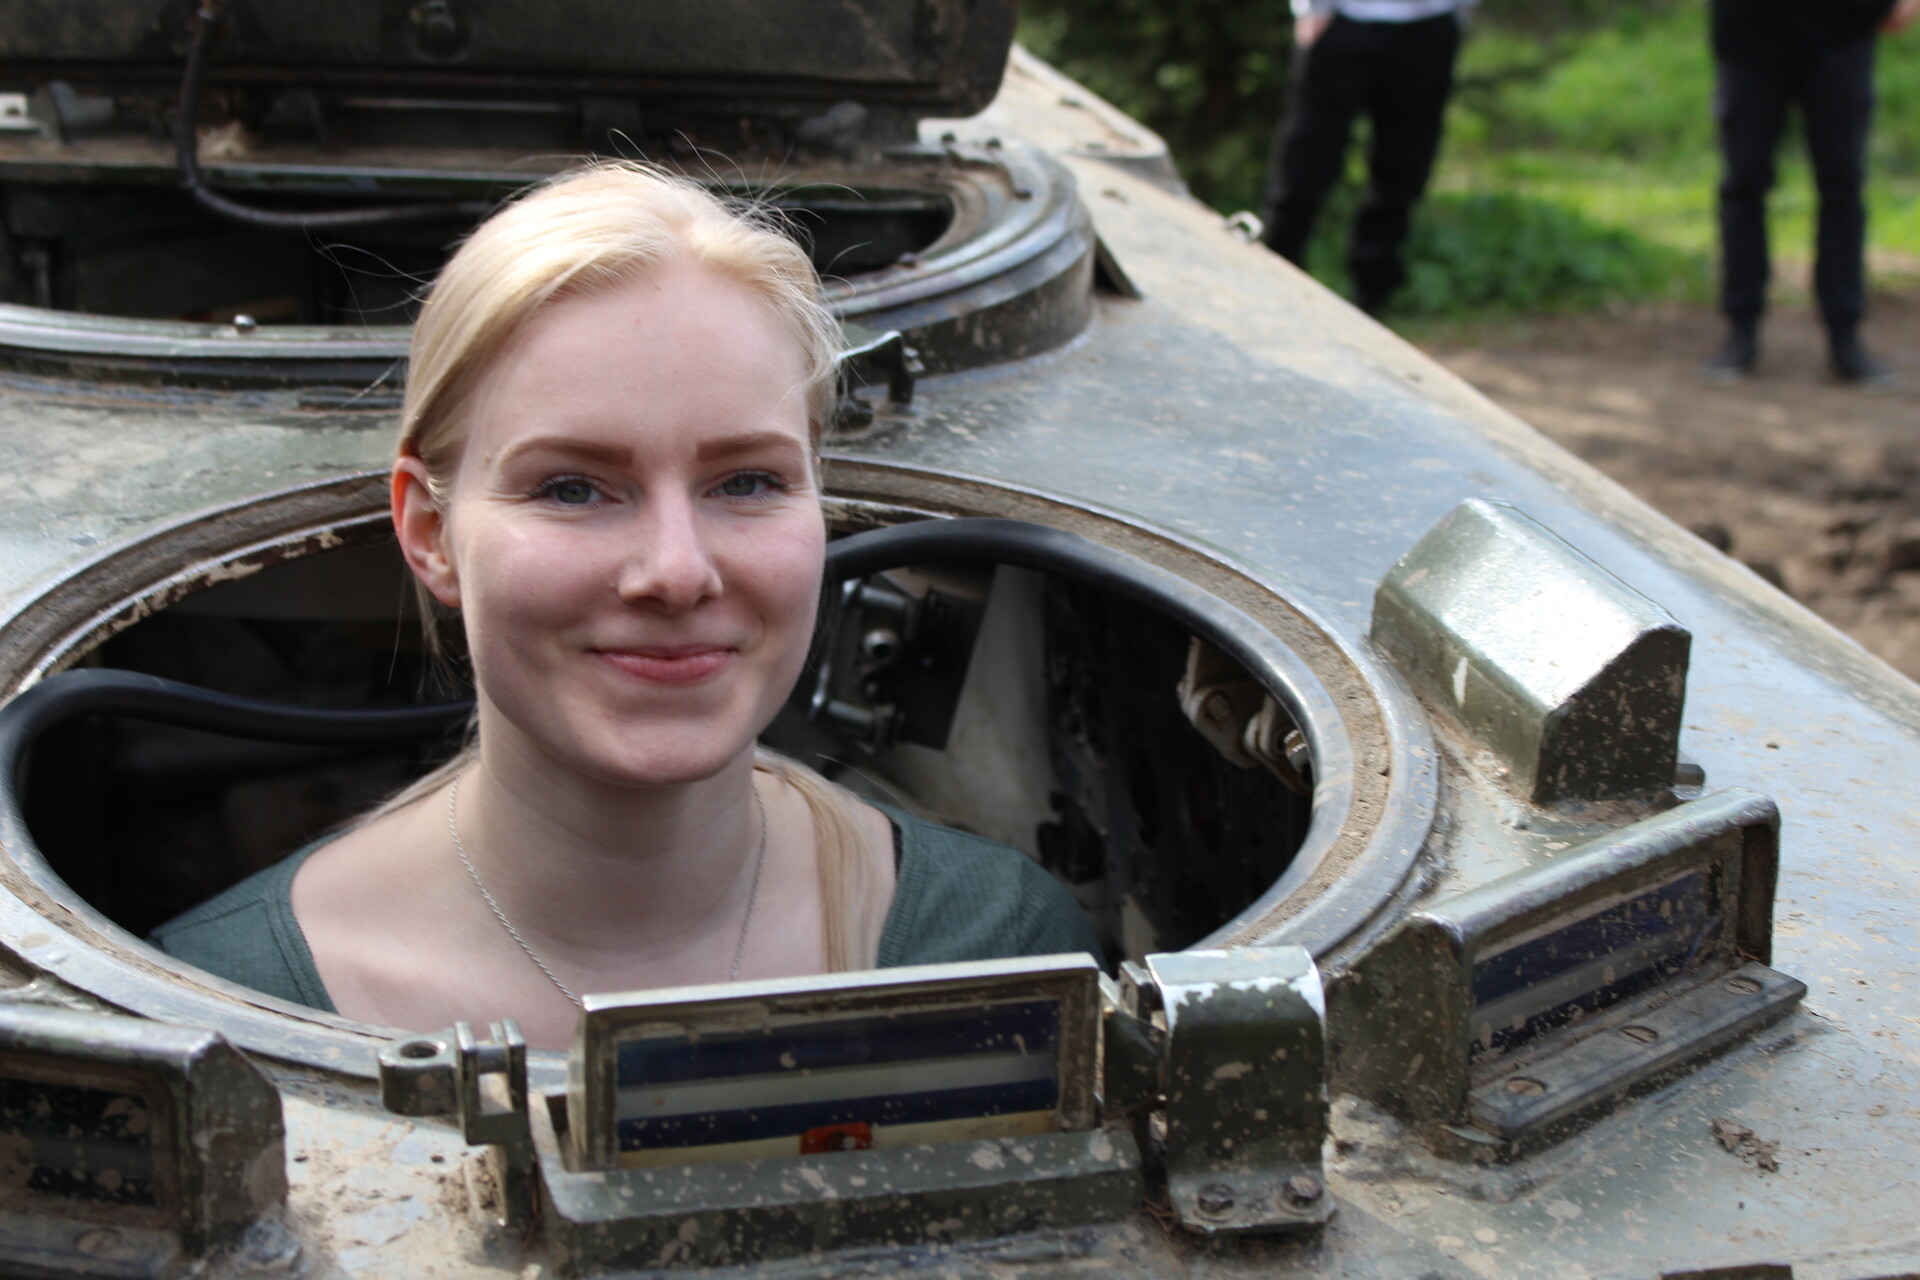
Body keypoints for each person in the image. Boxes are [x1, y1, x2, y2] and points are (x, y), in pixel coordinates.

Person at [152, 165, 1099, 1050]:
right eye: (572, 488)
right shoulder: (219, 1011)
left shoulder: (998, 951)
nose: (676, 573)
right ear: (431, 533)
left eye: (747, 482)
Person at [1703, 0, 1920, 386]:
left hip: (1844, 30)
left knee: (1843, 186)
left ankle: (1845, 337)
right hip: (1749, 32)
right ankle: (1741, 330)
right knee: (1743, 185)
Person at [1260, 0, 1476, 316]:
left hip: (1430, 26)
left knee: (1403, 166)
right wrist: (1312, 10)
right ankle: (1275, 273)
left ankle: (1374, 295)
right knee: (1306, 158)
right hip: (1342, 22)